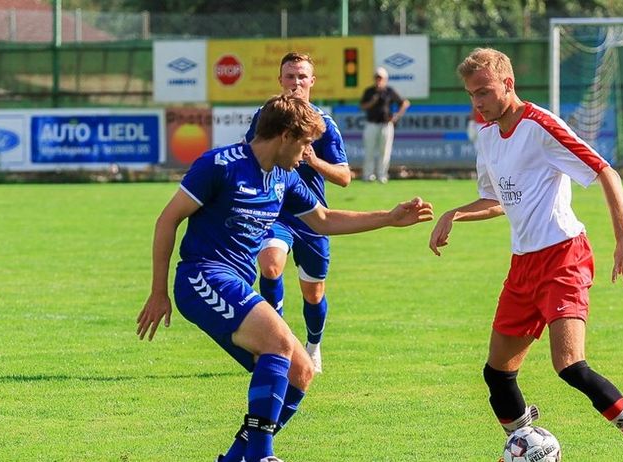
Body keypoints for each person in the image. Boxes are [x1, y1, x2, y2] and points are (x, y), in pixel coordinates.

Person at [136, 94, 433, 462]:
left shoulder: (284, 177)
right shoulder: (220, 165)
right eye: (306, 142)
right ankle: (262, 455)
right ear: (287, 135)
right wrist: (157, 292)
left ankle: (234, 458)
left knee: (301, 371)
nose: (308, 151)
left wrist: (388, 218)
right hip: (203, 276)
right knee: (278, 343)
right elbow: (167, 219)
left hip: (236, 285)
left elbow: (323, 220)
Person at [428, 48, 623, 462]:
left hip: (564, 257)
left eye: (485, 92)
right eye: (472, 95)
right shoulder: (488, 136)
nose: (478, 102)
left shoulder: (541, 125)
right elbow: (495, 199)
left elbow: (605, 171)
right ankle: (526, 445)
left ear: (508, 84)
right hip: (522, 265)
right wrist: (455, 214)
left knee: (570, 366)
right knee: (497, 374)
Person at [244, 52, 351, 373]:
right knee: (271, 266)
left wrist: (314, 161)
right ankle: (276, 341)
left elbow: (345, 177)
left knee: (313, 293)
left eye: (302, 77)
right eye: (290, 76)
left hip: (312, 218)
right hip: (274, 212)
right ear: (280, 80)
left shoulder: (324, 125)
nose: (295, 83)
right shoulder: (265, 117)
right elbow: (251, 158)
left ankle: (313, 346)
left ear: (312, 82)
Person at [359, 66, 410, 183]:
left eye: (381, 78)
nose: (378, 80)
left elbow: (405, 103)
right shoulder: (369, 91)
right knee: (370, 150)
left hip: (385, 124)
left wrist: (396, 116)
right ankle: (368, 175)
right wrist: (373, 101)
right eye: (377, 78)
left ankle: (382, 175)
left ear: (385, 79)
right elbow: (362, 106)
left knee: (384, 151)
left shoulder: (389, 91)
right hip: (371, 124)